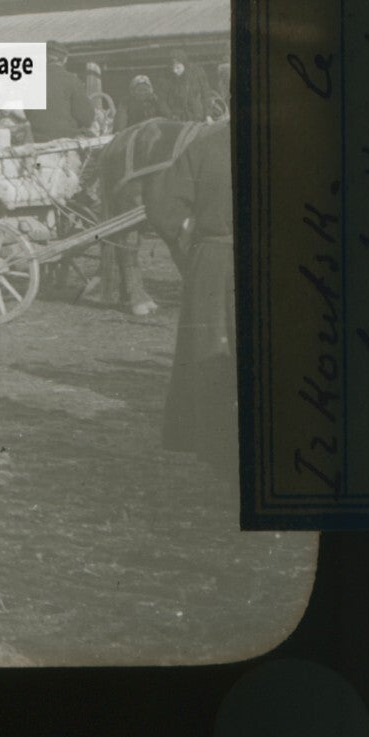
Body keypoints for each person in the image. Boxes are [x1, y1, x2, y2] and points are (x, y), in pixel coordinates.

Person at [159, 123, 237, 481]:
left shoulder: (205, 146)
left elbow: (164, 207)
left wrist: (189, 238)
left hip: (212, 261)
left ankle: (216, 448)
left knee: (209, 352)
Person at [28, 42, 96, 142]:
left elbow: (26, 114)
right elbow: (86, 118)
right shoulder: (72, 80)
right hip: (66, 139)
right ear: (65, 59)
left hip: (36, 139)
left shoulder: (30, 80)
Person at [165, 54, 213, 122]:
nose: (175, 71)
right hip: (181, 119)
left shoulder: (197, 75)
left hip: (198, 116)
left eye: (177, 67)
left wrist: (208, 115)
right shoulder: (172, 80)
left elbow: (206, 94)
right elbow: (168, 100)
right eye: (173, 68)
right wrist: (171, 115)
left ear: (185, 65)